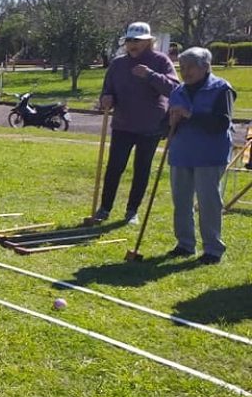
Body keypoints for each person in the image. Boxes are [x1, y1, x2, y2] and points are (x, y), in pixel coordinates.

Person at [95, 22, 180, 225]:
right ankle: (104, 208)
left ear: (149, 42)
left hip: (150, 126)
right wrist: (106, 98)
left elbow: (175, 89)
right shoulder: (117, 64)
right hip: (123, 124)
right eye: (129, 41)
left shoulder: (161, 61)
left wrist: (150, 75)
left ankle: (132, 211)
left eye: (138, 41)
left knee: (142, 169)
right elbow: (108, 90)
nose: (133, 44)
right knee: (114, 167)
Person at [165, 47, 236, 265]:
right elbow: (166, 124)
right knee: (182, 201)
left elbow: (221, 122)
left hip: (209, 154)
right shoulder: (178, 91)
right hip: (181, 153)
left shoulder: (221, 89)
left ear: (205, 67)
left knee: (208, 202)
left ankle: (213, 249)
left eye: (190, 67)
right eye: (182, 67)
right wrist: (170, 122)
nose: (185, 72)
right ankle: (185, 244)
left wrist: (190, 115)